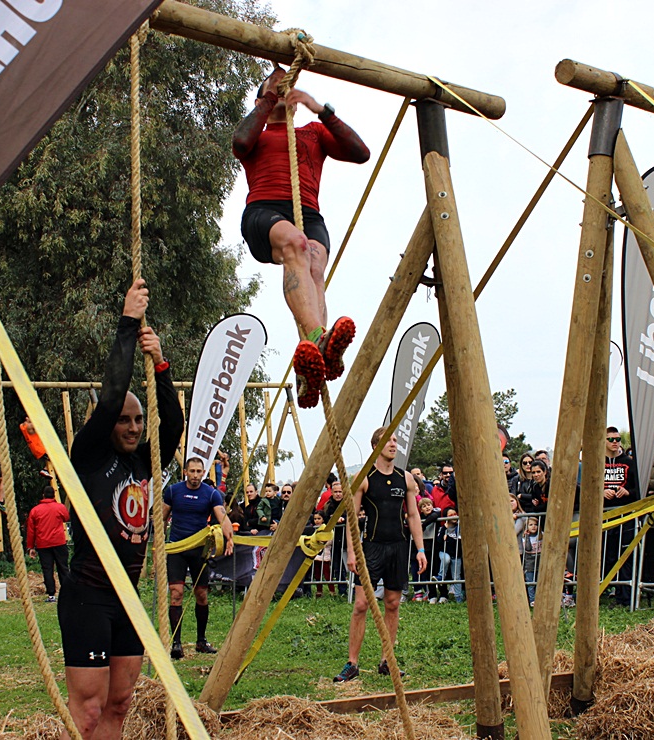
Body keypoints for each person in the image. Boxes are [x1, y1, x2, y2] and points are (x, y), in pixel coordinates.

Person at [57, 279, 183, 739]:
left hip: (127, 600)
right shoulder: (89, 454)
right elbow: (111, 396)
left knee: (120, 705)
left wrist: (162, 365)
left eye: (137, 420)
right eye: (124, 420)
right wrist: (128, 323)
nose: (132, 427)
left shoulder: (143, 462)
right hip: (88, 596)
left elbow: (174, 423)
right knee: (88, 713)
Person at [233, 65, 371, 408]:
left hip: (308, 213)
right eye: (274, 88)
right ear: (262, 98)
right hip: (265, 211)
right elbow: (240, 142)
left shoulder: (312, 133)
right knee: (295, 244)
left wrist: (320, 109)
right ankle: (317, 337)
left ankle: (314, 363)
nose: (283, 91)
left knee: (313, 263)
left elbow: (360, 153)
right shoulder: (258, 135)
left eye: (287, 88)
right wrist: (268, 98)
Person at [334, 427, 427, 682]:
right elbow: (351, 519)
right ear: (376, 445)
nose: (393, 445)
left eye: (396, 440)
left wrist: (420, 549)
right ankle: (352, 663)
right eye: (388, 441)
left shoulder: (405, 478)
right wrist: (353, 553)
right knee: (362, 604)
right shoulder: (364, 477)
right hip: (372, 548)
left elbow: (413, 515)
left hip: (398, 546)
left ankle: (387, 660)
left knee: (393, 604)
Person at [163, 457, 234, 659]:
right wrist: (156, 543)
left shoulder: (211, 494)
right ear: (185, 471)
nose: (195, 475)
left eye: (198, 472)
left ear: (203, 473)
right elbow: (160, 517)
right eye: (192, 471)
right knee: (176, 593)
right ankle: (176, 643)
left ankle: (201, 641)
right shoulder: (173, 491)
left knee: (201, 594)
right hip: (177, 548)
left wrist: (229, 539)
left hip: (199, 550)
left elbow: (223, 517)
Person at [603, 426, 638, 607]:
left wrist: (627, 492)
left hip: (626, 515)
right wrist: (602, 492)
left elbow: (639, 490)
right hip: (604, 516)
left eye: (617, 439)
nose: (615, 442)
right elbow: (584, 489)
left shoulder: (630, 462)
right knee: (607, 555)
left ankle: (625, 596)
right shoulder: (597, 463)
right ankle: (610, 590)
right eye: (610, 439)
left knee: (625, 555)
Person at [26, 486, 70, 602]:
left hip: (43, 544)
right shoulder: (59, 507)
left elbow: (31, 530)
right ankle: (67, 593)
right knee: (63, 568)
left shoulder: (35, 510)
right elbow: (66, 517)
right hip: (59, 542)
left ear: (43, 495)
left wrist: (30, 547)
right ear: (54, 495)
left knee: (47, 569)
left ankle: (51, 595)